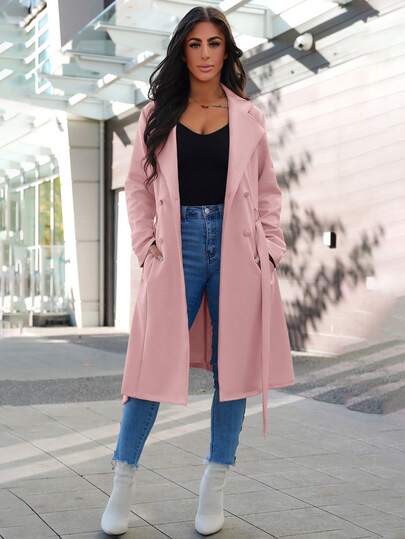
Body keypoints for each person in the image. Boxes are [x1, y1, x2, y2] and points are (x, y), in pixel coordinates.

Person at [101, 5, 294, 536]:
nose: (205, 54)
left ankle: (215, 483)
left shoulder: (249, 116)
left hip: (238, 249)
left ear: (226, 50)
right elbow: (137, 187)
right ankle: (122, 481)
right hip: (177, 246)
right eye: (195, 44)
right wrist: (146, 246)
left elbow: (268, 191)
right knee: (149, 366)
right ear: (181, 51)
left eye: (214, 43)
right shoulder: (157, 114)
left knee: (233, 371)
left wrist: (270, 248)